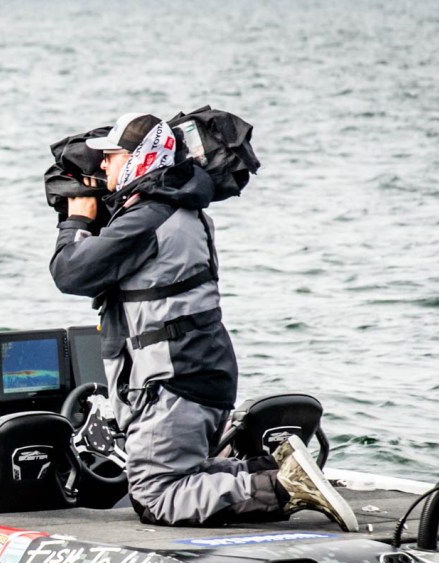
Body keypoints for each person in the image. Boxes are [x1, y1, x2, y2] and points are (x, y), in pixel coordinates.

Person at [49, 113, 357, 531]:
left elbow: (71, 273)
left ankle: (286, 485)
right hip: (199, 370)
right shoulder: (180, 207)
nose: (103, 165)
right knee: (184, 473)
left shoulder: (148, 218)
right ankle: (272, 470)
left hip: (173, 379)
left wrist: (77, 220)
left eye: (112, 156)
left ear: (140, 159)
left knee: (158, 495)